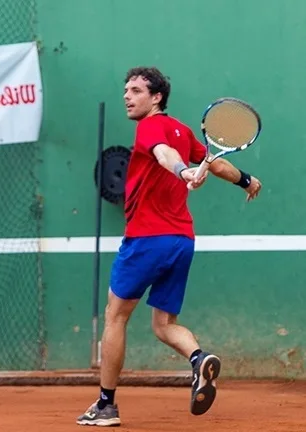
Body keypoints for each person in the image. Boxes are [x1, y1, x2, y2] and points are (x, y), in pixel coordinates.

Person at [76, 66, 262, 427]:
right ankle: (199, 359)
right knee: (163, 324)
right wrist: (246, 180)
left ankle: (106, 405)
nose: (127, 96)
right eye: (125, 90)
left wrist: (182, 172)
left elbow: (164, 155)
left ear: (156, 97)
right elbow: (215, 163)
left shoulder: (150, 127)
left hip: (147, 239)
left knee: (116, 316)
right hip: (181, 241)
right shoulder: (184, 131)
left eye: (135, 90)